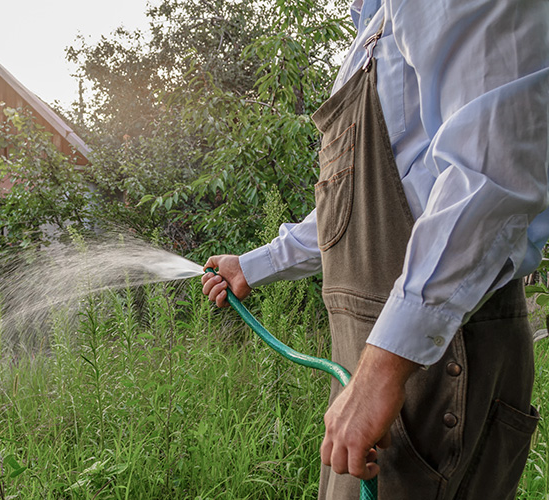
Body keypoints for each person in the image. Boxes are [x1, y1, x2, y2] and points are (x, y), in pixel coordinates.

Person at [201, 0, 549, 498]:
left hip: (436, 364)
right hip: (380, 360)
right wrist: (253, 266)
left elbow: (493, 175)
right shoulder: (374, 29)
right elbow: (355, 206)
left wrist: (382, 369)